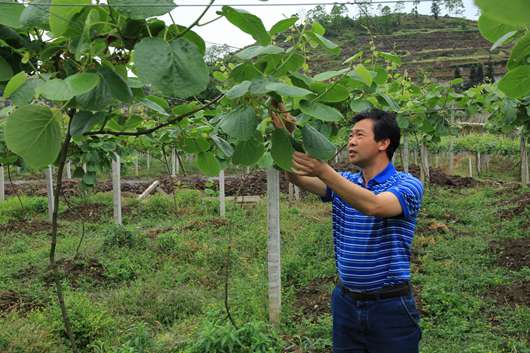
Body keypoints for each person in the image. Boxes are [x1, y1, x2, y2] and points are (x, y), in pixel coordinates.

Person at [287, 109, 424, 353]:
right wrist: (284, 134)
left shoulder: (408, 185)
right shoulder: (345, 181)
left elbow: (374, 205)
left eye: (359, 135)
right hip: (346, 303)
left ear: (384, 143)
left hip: (389, 306)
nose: (351, 141)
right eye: (350, 135)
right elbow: (296, 177)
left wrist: (325, 172)